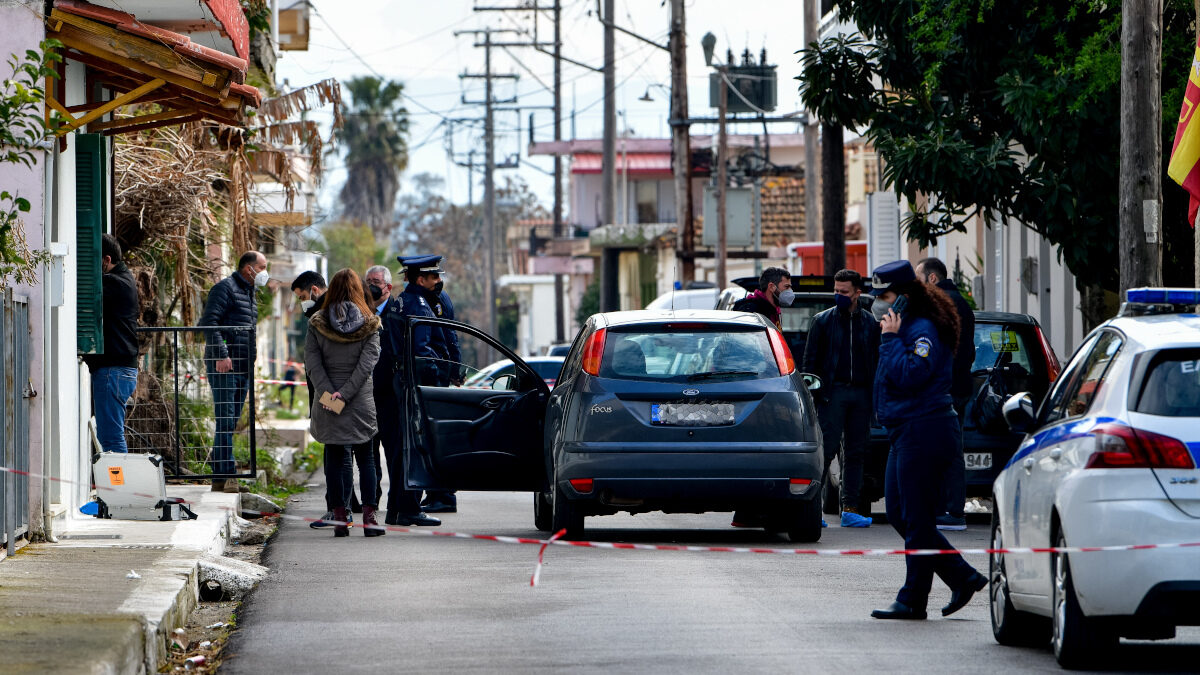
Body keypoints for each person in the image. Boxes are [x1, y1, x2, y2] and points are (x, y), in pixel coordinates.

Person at [867, 260, 986, 620]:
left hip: (925, 428)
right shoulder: (905, 325)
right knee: (900, 514)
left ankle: (912, 599)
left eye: (883, 296)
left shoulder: (922, 329)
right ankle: (961, 576)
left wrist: (889, 341)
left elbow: (911, 375)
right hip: (905, 429)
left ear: (902, 298)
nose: (878, 304)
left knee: (916, 518)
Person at [305, 268, 384, 537]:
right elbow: (367, 364)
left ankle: (341, 519)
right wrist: (347, 393)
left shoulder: (317, 322)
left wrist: (330, 393)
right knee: (367, 461)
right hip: (360, 400)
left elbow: (312, 364)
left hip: (328, 402)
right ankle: (370, 521)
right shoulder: (370, 322)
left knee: (335, 458)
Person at [802, 269, 879, 528]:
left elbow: (876, 361)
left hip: (860, 394)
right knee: (826, 450)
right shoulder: (822, 321)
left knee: (857, 452)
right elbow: (809, 364)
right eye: (836, 291)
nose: (838, 296)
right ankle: (814, 508)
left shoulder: (870, 323)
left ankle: (850, 508)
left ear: (858, 293)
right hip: (832, 394)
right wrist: (817, 395)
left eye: (843, 292)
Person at [367, 263, 440, 527]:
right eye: (368, 281)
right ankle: (387, 508)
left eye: (376, 281)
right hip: (378, 394)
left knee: (398, 452)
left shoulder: (398, 308)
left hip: (389, 392)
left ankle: (398, 508)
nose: (372, 286)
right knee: (378, 453)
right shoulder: (404, 307)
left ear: (390, 285)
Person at [728, 266, 793, 528]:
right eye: (787, 287)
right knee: (755, 454)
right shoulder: (751, 313)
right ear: (772, 287)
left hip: (765, 388)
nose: (790, 293)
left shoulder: (770, 311)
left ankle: (754, 512)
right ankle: (748, 513)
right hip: (752, 389)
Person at [914, 257, 976, 532]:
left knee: (943, 451)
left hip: (942, 390)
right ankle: (949, 508)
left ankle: (950, 510)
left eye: (919, 278)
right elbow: (968, 350)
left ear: (932, 279)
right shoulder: (961, 302)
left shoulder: (939, 304)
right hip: (957, 387)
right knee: (949, 448)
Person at [199, 251, 267, 493]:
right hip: (225, 366)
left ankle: (220, 478)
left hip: (242, 367)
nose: (264, 273)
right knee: (226, 422)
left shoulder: (250, 293)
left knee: (231, 422)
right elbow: (209, 322)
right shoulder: (225, 288)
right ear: (249, 268)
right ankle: (228, 476)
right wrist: (221, 353)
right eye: (262, 267)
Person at [414, 257, 463, 514]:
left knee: (433, 437)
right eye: (434, 277)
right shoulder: (431, 300)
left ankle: (442, 495)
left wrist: (454, 368)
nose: (438, 281)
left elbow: (448, 335)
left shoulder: (436, 301)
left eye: (437, 277)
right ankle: (437, 494)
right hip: (437, 374)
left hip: (435, 375)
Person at [82, 234, 140, 453]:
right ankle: (115, 486)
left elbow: (82, 288)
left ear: (106, 260)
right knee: (111, 437)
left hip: (113, 371)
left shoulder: (113, 282)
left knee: (112, 439)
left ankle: (117, 487)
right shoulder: (124, 279)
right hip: (119, 370)